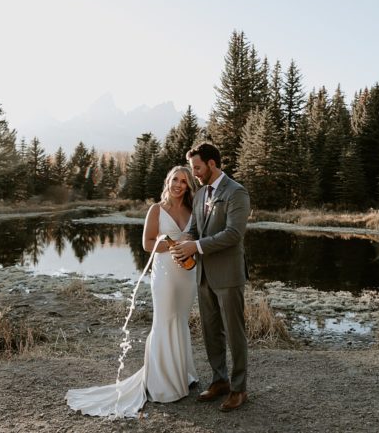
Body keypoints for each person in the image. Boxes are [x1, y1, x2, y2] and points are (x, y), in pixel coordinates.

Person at [65, 166, 200, 417]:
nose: (178, 185)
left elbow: (198, 239)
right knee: (164, 321)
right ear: (167, 182)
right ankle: (163, 384)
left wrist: (190, 247)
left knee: (180, 320)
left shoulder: (193, 210)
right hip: (166, 274)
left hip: (188, 274)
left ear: (189, 186)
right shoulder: (156, 210)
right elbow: (147, 244)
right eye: (174, 180)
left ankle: (183, 374)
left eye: (184, 181)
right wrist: (170, 245)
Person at [170, 143, 251, 412]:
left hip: (228, 275)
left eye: (197, 168)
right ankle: (220, 381)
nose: (195, 174)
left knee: (234, 333)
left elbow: (233, 234)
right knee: (210, 332)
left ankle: (239, 389)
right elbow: (193, 228)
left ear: (212, 164)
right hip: (203, 275)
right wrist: (183, 246)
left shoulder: (236, 193)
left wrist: (198, 246)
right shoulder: (201, 193)